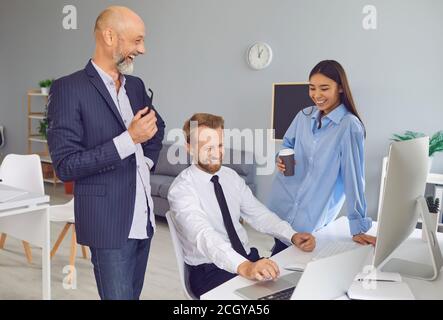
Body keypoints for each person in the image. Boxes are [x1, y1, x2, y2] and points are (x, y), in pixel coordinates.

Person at [47, 6, 165, 300]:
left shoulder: (135, 86)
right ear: (109, 36)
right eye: (137, 41)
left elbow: (157, 126)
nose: (143, 49)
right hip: (108, 224)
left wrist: (146, 159)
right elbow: (66, 165)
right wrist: (129, 140)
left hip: (144, 219)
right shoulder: (68, 89)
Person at [167, 113, 315, 299]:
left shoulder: (230, 177)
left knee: (298, 290)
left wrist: (291, 235)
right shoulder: (181, 190)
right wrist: (244, 267)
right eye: (207, 147)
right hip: (210, 271)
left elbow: (258, 214)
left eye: (219, 145)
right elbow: (204, 236)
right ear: (189, 148)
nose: (215, 153)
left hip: (247, 258)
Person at [268, 60, 376, 256]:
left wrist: (358, 226)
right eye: (312, 88)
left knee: (294, 268)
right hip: (283, 206)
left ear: (340, 88)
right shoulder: (303, 116)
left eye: (324, 88)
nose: (316, 95)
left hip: (311, 218)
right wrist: (280, 159)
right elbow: (287, 145)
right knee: (278, 260)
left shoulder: (349, 125)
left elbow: (354, 177)